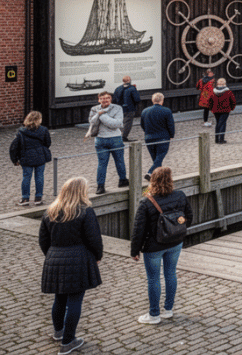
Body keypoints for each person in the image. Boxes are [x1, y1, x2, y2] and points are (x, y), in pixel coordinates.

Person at [40, 177, 102, 355]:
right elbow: (94, 239)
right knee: (75, 300)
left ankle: (59, 333)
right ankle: (68, 342)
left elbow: (43, 241)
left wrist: (52, 256)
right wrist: (97, 256)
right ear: (81, 191)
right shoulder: (85, 211)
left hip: (54, 259)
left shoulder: (50, 211)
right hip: (78, 260)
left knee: (59, 298)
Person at [130, 167, 192, 324]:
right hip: (175, 243)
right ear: (171, 179)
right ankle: (168, 310)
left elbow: (139, 229)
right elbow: (189, 217)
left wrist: (135, 250)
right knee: (171, 274)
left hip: (154, 246)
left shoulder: (146, 202)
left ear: (152, 181)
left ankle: (154, 315)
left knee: (153, 279)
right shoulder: (180, 196)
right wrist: (177, 232)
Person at [11, 110, 51, 207]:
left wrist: (15, 160)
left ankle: (25, 199)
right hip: (40, 157)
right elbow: (48, 143)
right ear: (39, 120)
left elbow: (14, 147)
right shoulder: (43, 130)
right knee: (39, 177)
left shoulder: (21, 132)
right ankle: (38, 198)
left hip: (26, 158)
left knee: (26, 177)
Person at [89, 91, 126, 194]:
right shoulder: (94, 108)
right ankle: (100, 186)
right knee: (102, 164)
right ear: (98, 99)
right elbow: (91, 122)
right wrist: (99, 114)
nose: (105, 100)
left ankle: (122, 180)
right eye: (102, 98)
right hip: (100, 140)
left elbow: (116, 124)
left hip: (115, 139)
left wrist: (100, 115)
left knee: (120, 161)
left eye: (107, 98)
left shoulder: (117, 108)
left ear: (111, 99)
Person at [139, 93, 176, 179]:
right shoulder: (166, 111)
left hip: (149, 137)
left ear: (153, 100)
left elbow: (142, 124)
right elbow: (170, 125)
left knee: (155, 158)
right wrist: (171, 135)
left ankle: (158, 177)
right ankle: (150, 173)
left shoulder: (145, 111)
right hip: (162, 137)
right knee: (159, 157)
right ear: (162, 100)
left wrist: (147, 132)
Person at [112, 75, 141, 141]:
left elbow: (114, 100)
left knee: (120, 123)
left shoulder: (118, 88)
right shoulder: (132, 89)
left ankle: (117, 135)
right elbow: (137, 99)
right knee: (128, 123)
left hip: (119, 109)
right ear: (129, 80)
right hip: (129, 109)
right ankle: (123, 137)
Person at [210, 80, 236, 144]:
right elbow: (233, 101)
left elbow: (210, 102)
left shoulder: (213, 92)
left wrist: (212, 109)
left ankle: (216, 139)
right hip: (225, 110)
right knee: (222, 123)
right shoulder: (228, 92)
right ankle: (221, 139)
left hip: (216, 110)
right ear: (225, 84)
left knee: (218, 123)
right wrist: (231, 108)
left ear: (217, 84)